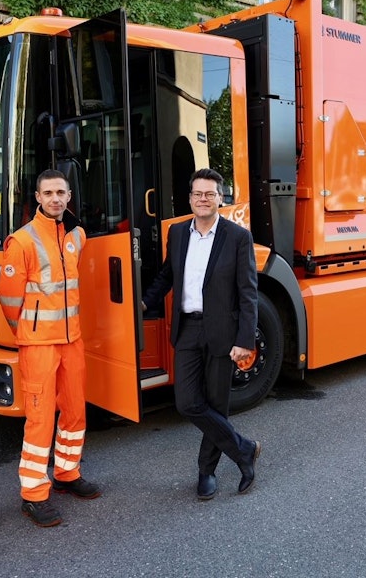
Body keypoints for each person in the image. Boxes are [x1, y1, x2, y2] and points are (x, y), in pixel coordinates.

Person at [142, 168, 262, 500]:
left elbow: (248, 292)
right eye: (198, 194)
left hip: (223, 332)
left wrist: (245, 339)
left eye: (210, 194)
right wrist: (144, 301)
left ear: (221, 198)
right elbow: (168, 273)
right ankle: (243, 450)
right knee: (188, 402)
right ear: (190, 198)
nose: (203, 199)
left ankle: (206, 472)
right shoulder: (178, 233)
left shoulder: (238, 238)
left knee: (216, 403)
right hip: (188, 328)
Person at [0, 169, 101, 528]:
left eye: (61, 192)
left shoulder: (75, 235)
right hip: (39, 344)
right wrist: (27, 330)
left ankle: (67, 473)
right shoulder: (22, 240)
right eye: (48, 193)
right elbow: (9, 299)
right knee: (40, 419)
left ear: (69, 197)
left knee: (74, 411)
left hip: (72, 342)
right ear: (38, 198)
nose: (55, 199)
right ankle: (33, 494)